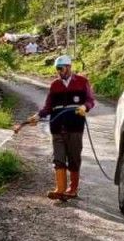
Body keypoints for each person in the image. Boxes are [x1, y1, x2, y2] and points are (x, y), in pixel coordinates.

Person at [23, 54, 95, 199]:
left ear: (69, 67)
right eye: (57, 69)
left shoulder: (82, 82)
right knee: (58, 158)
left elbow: (90, 100)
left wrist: (84, 107)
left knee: (74, 158)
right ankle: (60, 189)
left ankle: (72, 189)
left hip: (75, 127)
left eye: (61, 68)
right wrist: (37, 116)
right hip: (57, 127)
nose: (59, 71)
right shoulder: (55, 85)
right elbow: (48, 107)